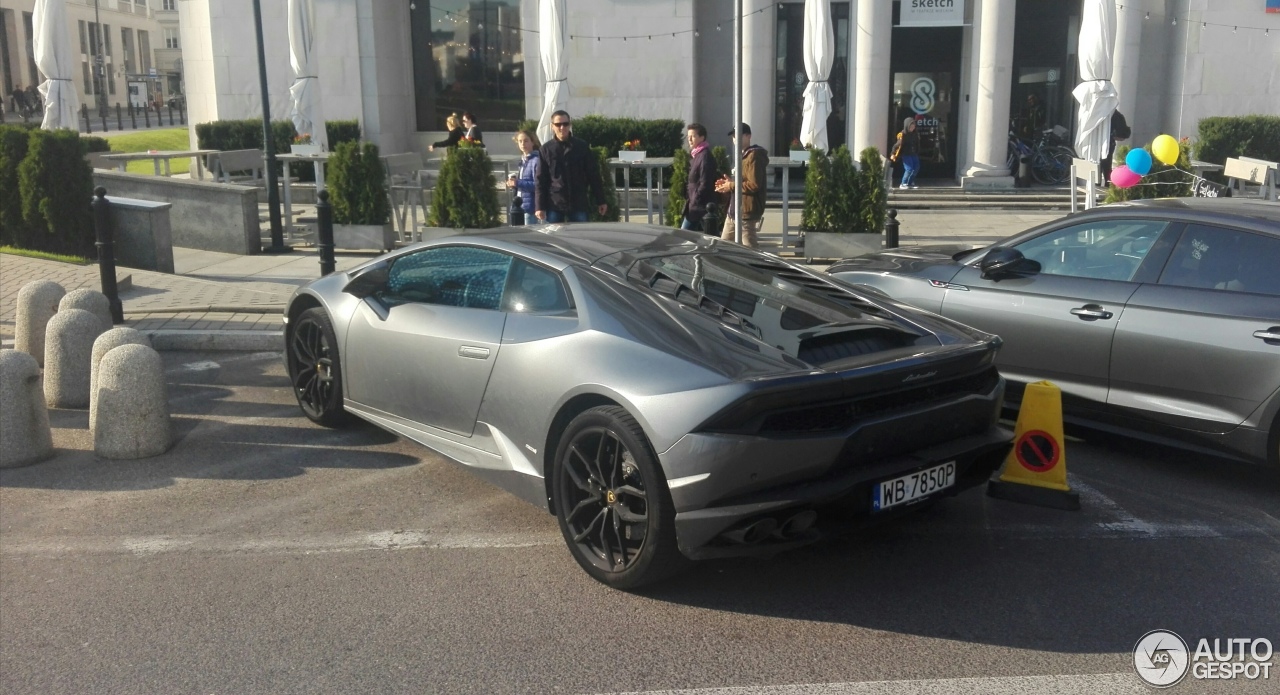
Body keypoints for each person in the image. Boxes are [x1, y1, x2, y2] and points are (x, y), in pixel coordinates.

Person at [535, 110, 607, 223]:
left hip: (578, 201)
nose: (562, 127)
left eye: (565, 124)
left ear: (570, 124)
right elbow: (540, 180)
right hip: (555, 203)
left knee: (580, 237)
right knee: (554, 239)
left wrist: (601, 201)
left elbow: (593, 175)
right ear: (552, 126)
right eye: (558, 124)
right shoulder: (546, 149)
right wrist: (539, 206)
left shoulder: (581, 146)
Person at [714, 123, 768, 249]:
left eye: (737, 135)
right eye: (733, 136)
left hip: (745, 212)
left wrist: (731, 185)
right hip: (734, 211)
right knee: (723, 247)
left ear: (748, 136)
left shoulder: (754, 155)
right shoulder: (743, 155)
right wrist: (728, 183)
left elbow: (754, 184)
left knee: (750, 250)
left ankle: (758, 268)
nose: (734, 139)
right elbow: (743, 181)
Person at [680, 123, 717, 231]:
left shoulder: (704, 156)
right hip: (695, 205)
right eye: (688, 136)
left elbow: (705, 183)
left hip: (700, 206)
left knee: (684, 235)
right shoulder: (697, 155)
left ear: (702, 137)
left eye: (693, 136)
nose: (690, 139)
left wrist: (695, 199)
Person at [506, 129, 541, 225]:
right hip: (520, 205)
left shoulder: (536, 160)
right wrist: (514, 184)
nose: (523, 144)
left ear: (532, 142)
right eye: (520, 141)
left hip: (530, 207)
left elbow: (537, 185)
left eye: (526, 141)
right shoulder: (523, 160)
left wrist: (518, 182)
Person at [1100, 109, 1131, 185]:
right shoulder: (1116, 115)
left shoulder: (1101, 112)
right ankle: (1107, 184)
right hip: (1108, 143)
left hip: (1102, 143)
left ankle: (1103, 183)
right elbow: (1123, 134)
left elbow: (1122, 134)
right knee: (1106, 166)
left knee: (1101, 165)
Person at [890, 117, 921, 189]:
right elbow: (896, 146)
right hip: (906, 154)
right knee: (909, 169)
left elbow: (917, 144)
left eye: (913, 126)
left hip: (914, 153)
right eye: (911, 126)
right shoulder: (903, 135)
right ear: (907, 126)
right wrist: (892, 154)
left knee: (916, 167)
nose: (912, 128)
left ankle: (910, 182)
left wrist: (917, 151)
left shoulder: (915, 134)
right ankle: (903, 183)